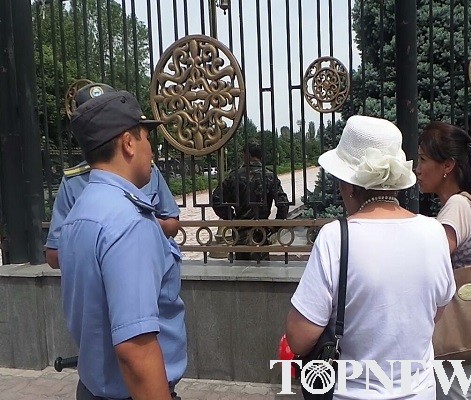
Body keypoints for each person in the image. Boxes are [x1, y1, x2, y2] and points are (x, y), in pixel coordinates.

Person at [285, 115, 456, 399]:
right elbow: (435, 312)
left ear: (350, 185)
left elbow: (300, 338)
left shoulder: (335, 238)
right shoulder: (434, 232)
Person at [59, 90, 187, 399]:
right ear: (128, 143)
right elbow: (136, 352)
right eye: (145, 137)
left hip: (92, 388)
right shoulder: (129, 221)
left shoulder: (82, 210)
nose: (151, 150)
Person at [45, 82, 181, 269]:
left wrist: (153, 227)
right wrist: (104, 248)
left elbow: (173, 221)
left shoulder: (147, 170)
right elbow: (53, 254)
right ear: (128, 143)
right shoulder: (73, 181)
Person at [416, 121, 471, 400]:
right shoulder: (461, 204)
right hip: (466, 325)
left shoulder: (456, 206)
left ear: (447, 166)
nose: (417, 169)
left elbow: (434, 261)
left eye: (422, 159)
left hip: (458, 327)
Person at [211, 141, 290, 261]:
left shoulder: (235, 176)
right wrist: (275, 227)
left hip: (240, 231)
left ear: (246, 155)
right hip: (261, 232)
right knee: (263, 269)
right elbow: (283, 203)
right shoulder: (269, 176)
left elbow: (216, 198)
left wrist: (231, 217)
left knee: (241, 269)